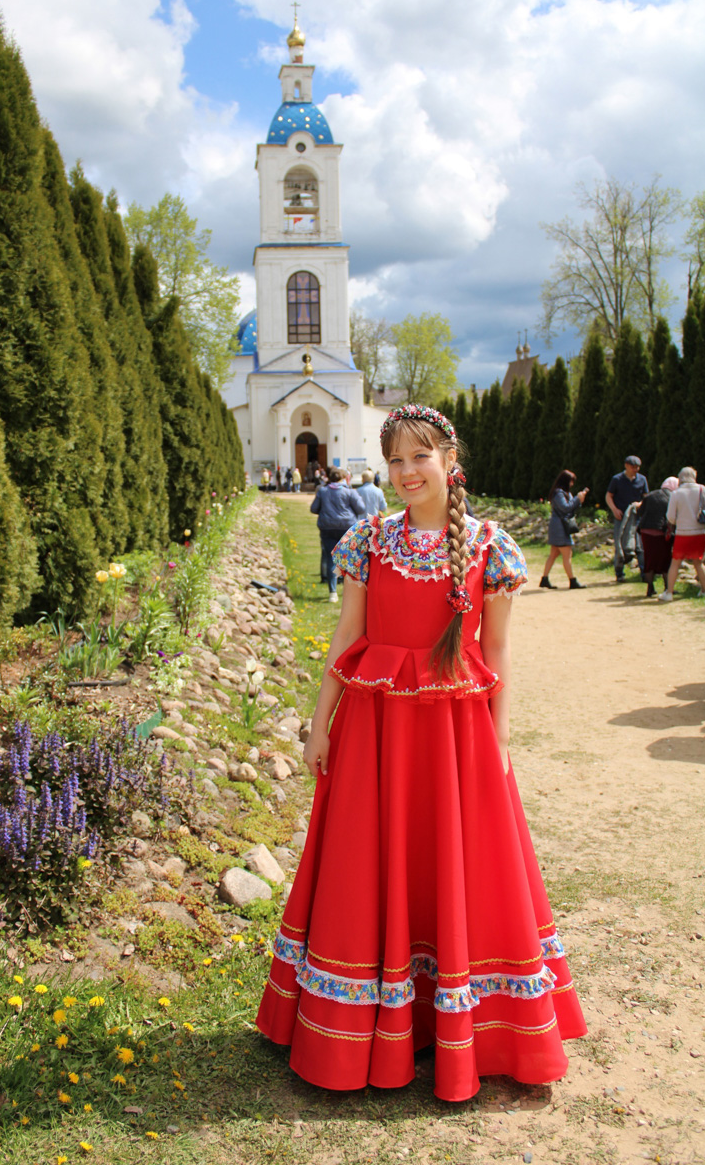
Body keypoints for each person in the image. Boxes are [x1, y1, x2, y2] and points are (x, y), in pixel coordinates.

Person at [257, 403, 586, 1102]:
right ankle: (361, 1028)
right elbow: (346, 642)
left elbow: (495, 654)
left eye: (419, 457)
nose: (406, 472)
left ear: (449, 462)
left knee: (458, 869)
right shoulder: (367, 541)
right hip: (373, 734)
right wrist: (320, 725)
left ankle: (473, 1031)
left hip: (455, 737)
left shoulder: (490, 547)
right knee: (370, 863)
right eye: (395, 460)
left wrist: (496, 745)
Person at [309, 467, 364, 602]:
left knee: (330, 559)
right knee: (349, 558)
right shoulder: (349, 491)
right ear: (343, 478)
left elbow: (314, 508)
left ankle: (332, 592)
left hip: (327, 527)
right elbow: (361, 508)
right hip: (346, 527)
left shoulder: (323, 491)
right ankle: (350, 593)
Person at [658, 467, 705, 602]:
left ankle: (669, 592)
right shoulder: (703, 490)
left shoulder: (677, 493)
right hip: (700, 532)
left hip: (683, 533)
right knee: (698, 562)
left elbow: (671, 517)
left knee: (675, 563)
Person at [539, 471, 588, 590]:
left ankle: (544, 579)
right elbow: (565, 508)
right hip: (560, 526)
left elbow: (570, 507)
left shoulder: (563, 493)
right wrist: (577, 498)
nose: (572, 484)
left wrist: (579, 500)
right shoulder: (559, 493)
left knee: (554, 553)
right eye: (571, 481)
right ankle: (572, 580)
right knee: (567, 554)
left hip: (558, 526)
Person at [605, 456, 648, 581]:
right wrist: (614, 509)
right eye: (633, 467)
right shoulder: (617, 479)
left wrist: (640, 504)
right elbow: (608, 496)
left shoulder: (642, 479)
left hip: (637, 517)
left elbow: (646, 496)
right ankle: (619, 573)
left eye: (637, 467)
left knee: (640, 546)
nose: (636, 469)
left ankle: (644, 573)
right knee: (620, 544)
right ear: (626, 466)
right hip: (621, 517)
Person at [636, 476, 678, 597]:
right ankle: (667, 587)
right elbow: (672, 517)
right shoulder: (672, 497)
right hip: (661, 532)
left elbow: (640, 511)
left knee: (649, 559)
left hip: (645, 531)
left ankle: (650, 588)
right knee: (665, 560)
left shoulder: (650, 495)